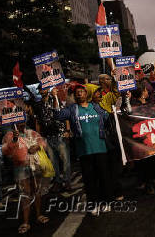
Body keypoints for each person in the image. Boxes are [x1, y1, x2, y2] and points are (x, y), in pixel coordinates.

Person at [55, 85, 111, 216]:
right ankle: (93, 205)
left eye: (82, 92)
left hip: (100, 147)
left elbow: (106, 117)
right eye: (77, 93)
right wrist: (54, 98)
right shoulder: (72, 109)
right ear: (75, 96)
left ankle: (106, 202)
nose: (80, 94)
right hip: (84, 150)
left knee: (103, 176)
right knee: (89, 179)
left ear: (87, 94)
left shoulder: (95, 106)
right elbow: (58, 116)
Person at [2, 122, 49, 234]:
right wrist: (14, 139)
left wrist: (37, 146)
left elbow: (43, 143)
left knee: (37, 190)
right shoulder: (9, 135)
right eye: (19, 121)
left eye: (23, 119)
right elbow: (5, 151)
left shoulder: (31, 132)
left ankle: (38, 215)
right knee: (25, 193)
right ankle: (26, 222)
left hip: (35, 166)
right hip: (20, 168)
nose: (21, 123)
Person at [128, 82, 155, 194]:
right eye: (146, 90)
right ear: (142, 93)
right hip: (143, 140)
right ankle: (149, 184)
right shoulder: (134, 106)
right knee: (146, 163)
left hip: (154, 137)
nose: (148, 92)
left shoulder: (150, 103)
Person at [34, 86, 71, 193]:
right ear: (39, 92)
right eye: (41, 89)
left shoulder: (55, 98)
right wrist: (39, 136)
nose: (43, 91)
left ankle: (67, 182)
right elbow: (38, 121)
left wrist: (67, 130)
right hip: (47, 136)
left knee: (65, 160)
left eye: (44, 88)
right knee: (53, 162)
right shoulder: (38, 105)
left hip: (60, 134)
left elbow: (65, 115)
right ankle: (57, 182)